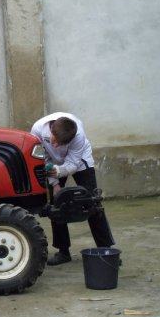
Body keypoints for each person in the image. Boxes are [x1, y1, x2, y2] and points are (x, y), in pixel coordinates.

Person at [31, 112, 114, 266]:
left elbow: (73, 164)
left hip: (80, 161)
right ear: (51, 131)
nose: (55, 146)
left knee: (92, 202)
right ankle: (63, 252)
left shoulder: (79, 136)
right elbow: (42, 159)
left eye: (60, 144)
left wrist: (59, 171)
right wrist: (55, 184)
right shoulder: (37, 129)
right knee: (56, 205)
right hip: (51, 162)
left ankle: (106, 250)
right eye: (54, 141)